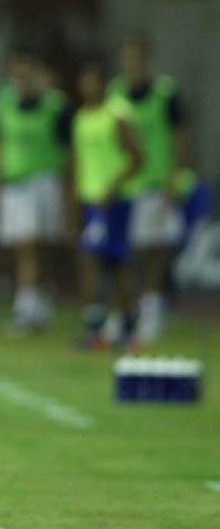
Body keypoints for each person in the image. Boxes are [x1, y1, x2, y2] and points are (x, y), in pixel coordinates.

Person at [109, 34, 188, 345]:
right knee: (123, 255)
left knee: (153, 250)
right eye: (128, 56)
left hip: (155, 184)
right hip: (126, 185)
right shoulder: (116, 93)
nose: (132, 63)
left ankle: (152, 310)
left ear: (147, 59)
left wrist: (175, 179)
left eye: (137, 56)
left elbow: (180, 138)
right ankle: (125, 312)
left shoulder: (164, 93)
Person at [0, 47, 72, 333]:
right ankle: (30, 304)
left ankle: (33, 302)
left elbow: (69, 149)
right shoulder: (4, 100)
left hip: (44, 181)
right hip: (13, 183)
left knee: (39, 246)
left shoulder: (55, 105)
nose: (22, 77)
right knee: (22, 246)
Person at [70, 61, 144, 349]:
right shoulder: (81, 117)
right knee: (92, 262)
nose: (90, 88)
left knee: (114, 263)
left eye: (95, 82)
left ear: (105, 83)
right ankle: (103, 326)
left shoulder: (118, 115)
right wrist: (75, 202)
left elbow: (138, 157)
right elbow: (78, 163)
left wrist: (113, 186)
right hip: (91, 200)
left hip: (115, 202)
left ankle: (122, 324)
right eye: (85, 82)